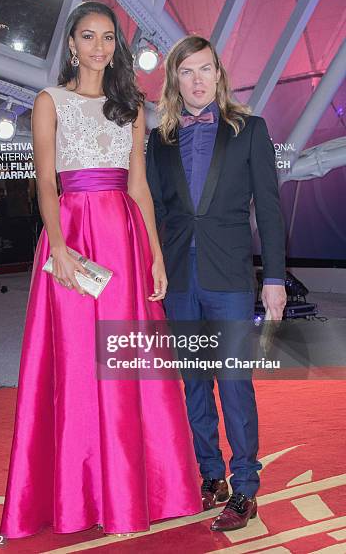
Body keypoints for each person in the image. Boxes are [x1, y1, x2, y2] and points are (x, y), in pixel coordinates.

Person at [0, 2, 202, 538]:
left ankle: (137, 492)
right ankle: (77, 494)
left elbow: (139, 187)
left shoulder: (130, 106)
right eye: (88, 36)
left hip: (124, 237)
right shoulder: (51, 102)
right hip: (73, 238)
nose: (98, 46)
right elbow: (45, 183)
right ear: (71, 43)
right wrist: (59, 249)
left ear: (117, 45)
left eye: (108, 37)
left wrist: (155, 253)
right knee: (75, 360)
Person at [146, 35, 286, 531]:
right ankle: (211, 476)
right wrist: (155, 267)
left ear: (219, 74)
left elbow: (268, 209)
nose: (198, 80)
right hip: (180, 279)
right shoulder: (158, 140)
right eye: (187, 72)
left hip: (229, 279)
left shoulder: (250, 130)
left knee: (233, 382)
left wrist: (273, 277)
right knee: (195, 384)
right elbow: (157, 212)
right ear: (174, 80)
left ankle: (245, 485)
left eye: (205, 69)